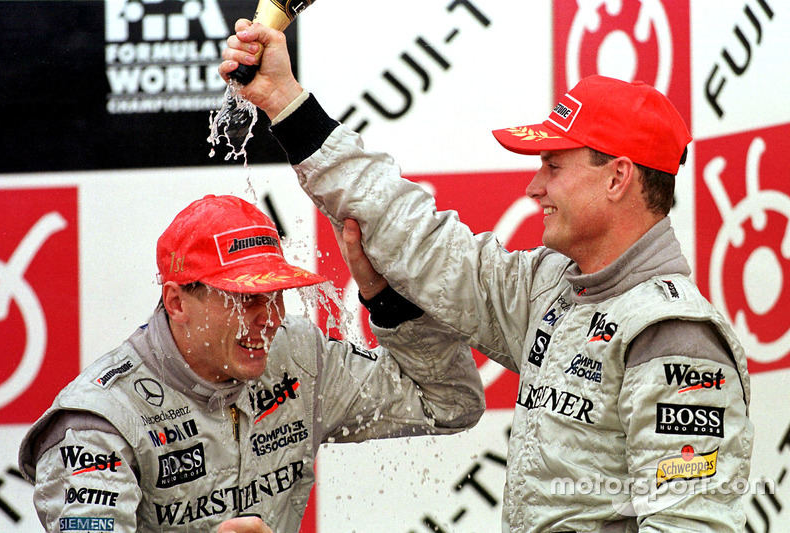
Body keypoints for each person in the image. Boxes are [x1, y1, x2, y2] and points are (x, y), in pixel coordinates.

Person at [218, 20, 755, 532]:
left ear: (618, 177)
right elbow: (421, 240)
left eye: (553, 166)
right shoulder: (552, 288)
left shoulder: (674, 338)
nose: (533, 188)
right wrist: (285, 102)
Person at [18, 194, 485, 533]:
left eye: (275, 295)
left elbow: (449, 403)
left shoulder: (300, 358)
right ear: (177, 301)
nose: (267, 320)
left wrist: (389, 302)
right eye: (243, 299)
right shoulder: (97, 421)